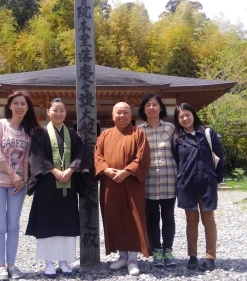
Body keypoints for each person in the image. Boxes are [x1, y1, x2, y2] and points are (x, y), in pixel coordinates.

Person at [25, 98, 90, 278]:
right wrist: (54, 171)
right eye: (55, 110)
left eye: (62, 110)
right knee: (48, 223)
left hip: (67, 187)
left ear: (66, 112)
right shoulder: (40, 134)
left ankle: (64, 260)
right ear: (48, 112)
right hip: (47, 186)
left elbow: (81, 155)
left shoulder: (73, 134)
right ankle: (48, 262)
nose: (58, 113)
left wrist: (70, 170)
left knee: (67, 223)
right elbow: (36, 157)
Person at [0, 90, 40, 280]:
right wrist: (12, 174)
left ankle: (12, 265)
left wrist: (23, 179)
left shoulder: (28, 132)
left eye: (23, 104)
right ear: (9, 106)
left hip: (17, 184)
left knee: (14, 225)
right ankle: (0, 267)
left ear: (27, 107)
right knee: (0, 226)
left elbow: (25, 158)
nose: (20, 107)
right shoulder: (0, 125)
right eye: (16, 103)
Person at [94, 102, 151, 276]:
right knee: (114, 217)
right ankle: (122, 256)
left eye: (125, 112)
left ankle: (133, 259)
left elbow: (142, 157)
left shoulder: (138, 133)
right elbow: (97, 155)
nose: (122, 116)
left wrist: (126, 172)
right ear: (112, 115)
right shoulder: (105, 135)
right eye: (118, 112)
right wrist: (106, 170)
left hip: (132, 183)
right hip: (110, 183)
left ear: (130, 115)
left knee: (133, 218)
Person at [171, 103, 224, 272]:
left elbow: (219, 156)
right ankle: (192, 256)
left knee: (208, 220)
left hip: (207, 182)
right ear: (177, 120)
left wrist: (218, 178)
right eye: (181, 116)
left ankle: (210, 257)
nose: (185, 118)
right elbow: (178, 161)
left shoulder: (208, 133)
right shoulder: (177, 138)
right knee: (191, 221)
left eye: (187, 114)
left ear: (193, 114)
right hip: (187, 183)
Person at [137, 93, 178, 267]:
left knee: (168, 217)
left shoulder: (171, 128)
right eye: (148, 105)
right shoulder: (139, 130)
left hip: (169, 178)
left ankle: (168, 250)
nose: (152, 107)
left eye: (155, 104)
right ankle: (157, 252)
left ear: (161, 108)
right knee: (152, 218)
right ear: (143, 109)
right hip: (149, 181)